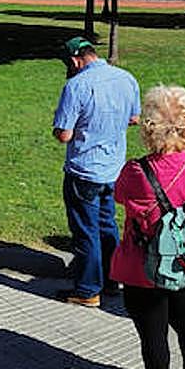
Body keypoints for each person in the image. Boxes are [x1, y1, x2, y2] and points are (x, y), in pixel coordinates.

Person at [111, 85, 185, 369]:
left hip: (146, 265)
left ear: (148, 127)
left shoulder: (136, 170)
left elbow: (119, 197)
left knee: (153, 331)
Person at [52, 36, 141, 306]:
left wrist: (60, 127)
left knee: (85, 230)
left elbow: (64, 135)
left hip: (84, 171)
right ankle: (112, 279)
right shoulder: (127, 78)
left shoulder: (76, 85)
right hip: (114, 169)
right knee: (107, 225)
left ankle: (88, 289)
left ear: (74, 60)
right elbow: (134, 118)